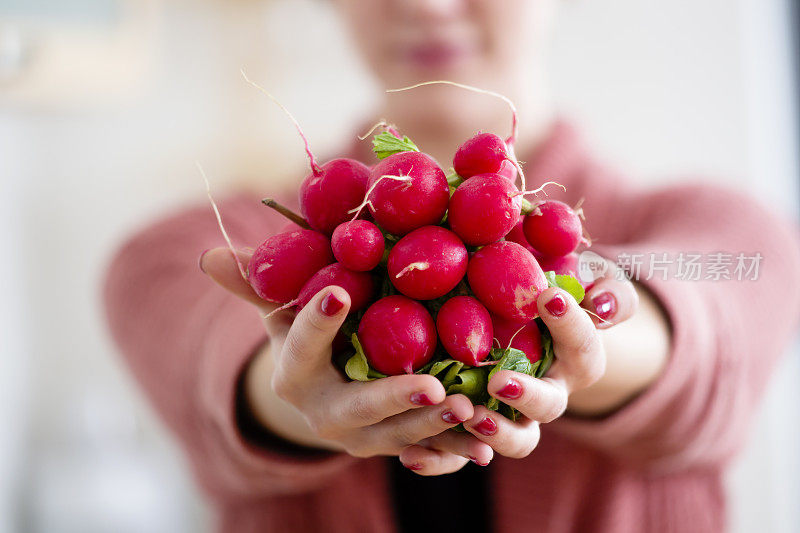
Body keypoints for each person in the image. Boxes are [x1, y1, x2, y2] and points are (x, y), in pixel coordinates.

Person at [104, 1, 800, 531]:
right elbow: (212, 356)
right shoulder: (172, 254)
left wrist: (590, 322)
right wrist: (298, 384)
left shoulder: (734, 232)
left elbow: (706, 345)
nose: (429, 4)